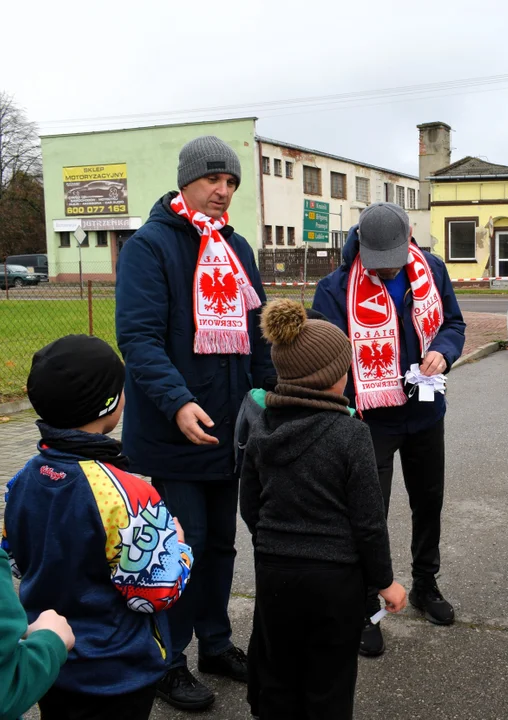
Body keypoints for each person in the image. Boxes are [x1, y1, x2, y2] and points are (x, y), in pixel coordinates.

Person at [116, 136, 275, 710]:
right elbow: (138, 338)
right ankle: (166, 659)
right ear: (186, 181)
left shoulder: (236, 249)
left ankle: (215, 642)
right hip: (170, 435)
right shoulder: (149, 247)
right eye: (214, 179)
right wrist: (178, 400)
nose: (223, 191)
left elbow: (258, 337)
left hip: (229, 431)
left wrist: (271, 399)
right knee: (177, 552)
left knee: (221, 548)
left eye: (231, 182)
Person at [3, 335, 194, 720]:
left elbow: (17, 561)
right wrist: (177, 547)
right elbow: (155, 593)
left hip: (49, 661)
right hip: (117, 673)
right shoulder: (129, 493)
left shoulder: (23, 479)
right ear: (110, 404)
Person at [240, 298, 407, 718]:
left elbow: (249, 503)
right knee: (329, 681)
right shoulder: (351, 434)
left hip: (275, 571)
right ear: (334, 378)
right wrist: (384, 582)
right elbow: (368, 522)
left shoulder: (261, 427)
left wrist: (273, 543)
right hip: (335, 581)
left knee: (278, 672)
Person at [312, 202, 466, 657]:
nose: (388, 270)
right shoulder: (335, 287)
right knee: (367, 514)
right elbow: (327, 354)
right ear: (361, 244)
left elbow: (453, 324)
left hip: (423, 413)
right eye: (378, 263)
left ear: (410, 237)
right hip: (368, 420)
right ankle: (363, 605)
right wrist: (351, 401)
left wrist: (443, 351)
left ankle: (425, 584)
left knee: (428, 502)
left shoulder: (431, 270)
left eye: (395, 260)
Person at [0, 549, 74, 720]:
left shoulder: (14, 520)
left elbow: (15, 563)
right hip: (113, 654)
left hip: (43, 665)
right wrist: (52, 641)